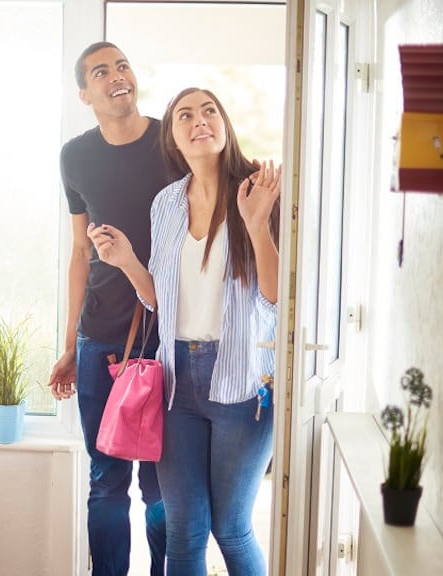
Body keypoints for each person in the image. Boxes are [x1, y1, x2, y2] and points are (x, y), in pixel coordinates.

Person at [88, 87, 281, 575]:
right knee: (184, 531)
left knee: (231, 529)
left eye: (209, 111)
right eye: (185, 116)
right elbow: (161, 300)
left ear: (224, 124)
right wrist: (126, 261)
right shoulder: (167, 204)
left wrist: (257, 224)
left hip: (243, 383)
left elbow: (277, 298)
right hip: (177, 384)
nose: (199, 121)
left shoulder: (256, 192)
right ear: (173, 138)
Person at [46, 42, 177, 576]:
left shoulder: (171, 143)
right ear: (85, 94)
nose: (117, 76)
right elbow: (80, 251)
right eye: (101, 72)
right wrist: (70, 344)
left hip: (167, 337)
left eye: (123, 65)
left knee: (163, 484)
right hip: (99, 336)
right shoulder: (75, 157)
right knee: (106, 481)